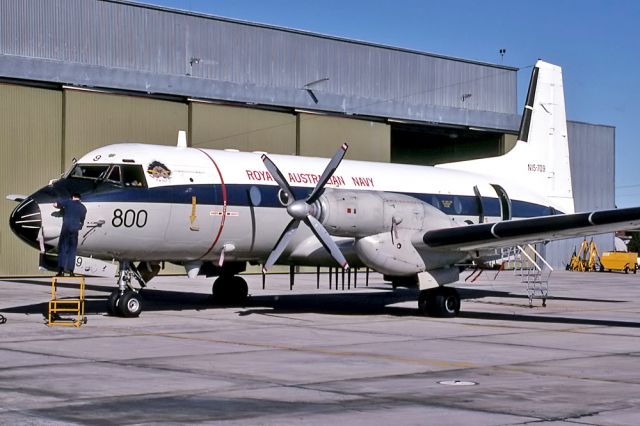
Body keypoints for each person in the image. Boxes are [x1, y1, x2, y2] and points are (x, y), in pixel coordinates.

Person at [54, 192, 87, 277]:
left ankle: (61, 271)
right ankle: (71, 271)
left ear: (72, 197)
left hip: (66, 229)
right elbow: (82, 220)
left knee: (63, 249)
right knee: (72, 251)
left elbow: (55, 204)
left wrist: (57, 201)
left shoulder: (68, 202)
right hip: (75, 231)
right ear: (79, 198)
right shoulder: (83, 208)